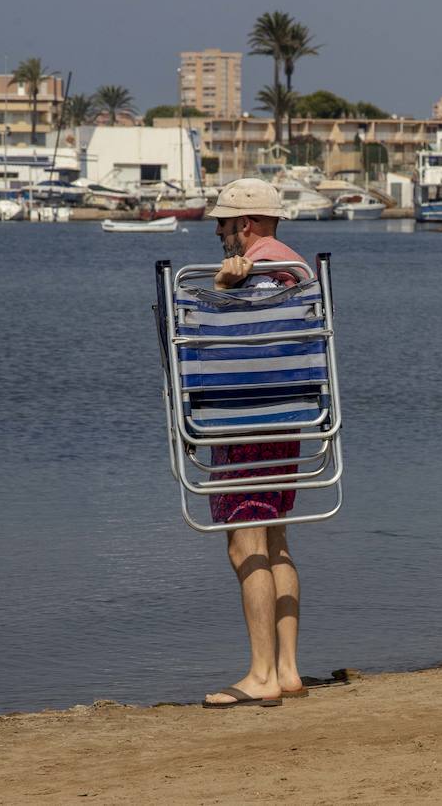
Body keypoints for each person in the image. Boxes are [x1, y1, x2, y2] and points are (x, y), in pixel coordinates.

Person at [202, 178, 308, 708]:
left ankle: (263, 674)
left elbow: (235, 344)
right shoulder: (294, 263)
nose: (218, 233)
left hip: (250, 421)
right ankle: (286, 668)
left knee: (246, 541)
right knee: (276, 539)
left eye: (221, 224)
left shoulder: (260, 269)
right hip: (285, 418)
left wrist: (222, 291)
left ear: (243, 225)